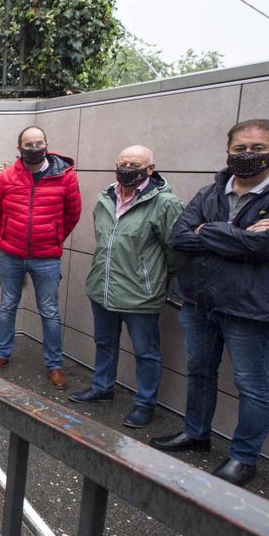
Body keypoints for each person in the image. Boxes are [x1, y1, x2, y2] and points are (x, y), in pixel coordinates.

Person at [151, 120, 269, 486]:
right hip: (200, 302)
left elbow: (265, 245)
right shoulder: (211, 193)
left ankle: (243, 457)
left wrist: (205, 232)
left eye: (257, 148)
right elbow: (179, 236)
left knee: (251, 384)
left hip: (250, 308)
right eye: (240, 148)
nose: (248, 155)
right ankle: (196, 433)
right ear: (228, 151)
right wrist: (234, 235)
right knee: (200, 372)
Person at [68, 146, 184, 430]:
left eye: (135, 164)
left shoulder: (166, 204)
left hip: (140, 295)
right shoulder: (105, 198)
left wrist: (155, 280)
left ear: (150, 169)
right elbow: (103, 239)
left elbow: (177, 250)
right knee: (104, 342)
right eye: (123, 163)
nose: (128, 168)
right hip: (103, 288)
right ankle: (102, 386)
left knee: (146, 352)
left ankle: (145, 404)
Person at [0, 126, 82, 390]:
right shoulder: (6, 178)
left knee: (49, 311)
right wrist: (7, 234)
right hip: (12, 254)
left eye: (39, 143)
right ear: (19, 149)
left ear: (47, 144)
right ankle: (2, 354)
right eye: (29, 144)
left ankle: (55, 364)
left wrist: (53, 237)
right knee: (7, 306)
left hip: (46, 257)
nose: (34, 148)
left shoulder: (66, 178)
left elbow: (73, 214)